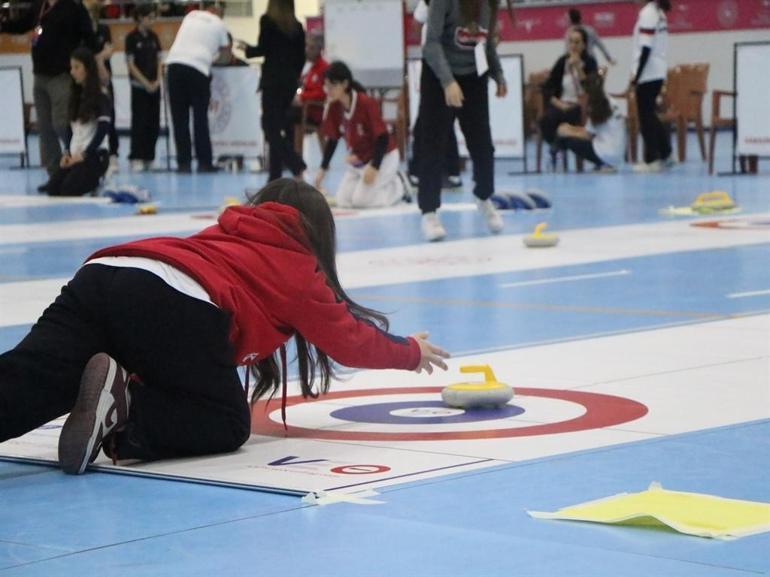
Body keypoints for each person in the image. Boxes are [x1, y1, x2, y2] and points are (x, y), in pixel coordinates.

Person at [0, 179, 449, 475]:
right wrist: (409, 352)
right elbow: (349, 339)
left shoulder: (228, 232)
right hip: (174, 299)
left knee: (32, 381)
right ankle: (124, 410)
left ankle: (110, 394)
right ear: (319, 237)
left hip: (103, 272)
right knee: (226, 420)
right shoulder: (296, 263)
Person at [417, 0, 513, 242]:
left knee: (483, 146)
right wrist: (448, 82)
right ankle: (429, 212)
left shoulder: (490, 4)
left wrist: (498, 74)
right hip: (440, 75)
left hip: (473, 76)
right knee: (432, 145)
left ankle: (483, 197)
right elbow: (431, 43)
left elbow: (486, 42)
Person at [0, 0, 96, 192]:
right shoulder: (38, 5)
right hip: (40, 75)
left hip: (61, 75)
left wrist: (83, 64)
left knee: (61, 123)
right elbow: (23, 24)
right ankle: (55, 175)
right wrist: (3, 26)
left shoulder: (73, 7)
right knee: (45, 128)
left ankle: (80, 167)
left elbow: (89, 37)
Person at [313, 62, 407, 209]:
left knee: (362, 201)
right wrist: (322, 170)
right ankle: (371, 186)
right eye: (326, 86)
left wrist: (374, 167)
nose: (328, 91)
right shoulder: (334, 106)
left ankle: (399, 186)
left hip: (383, 157)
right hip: (359, 159)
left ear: (344, 84)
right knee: (343, 200)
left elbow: (382, 138)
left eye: (332, 86)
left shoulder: (365, 103)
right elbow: (333, 139)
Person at [236, 0, 306, 182]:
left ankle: (295, 164)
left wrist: (247, 49)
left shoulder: (267, 21)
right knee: (281, 127)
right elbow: (301, 58)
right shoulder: (297, 27)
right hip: (289, 84)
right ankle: (275, 175)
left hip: (272, 82)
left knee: (270, 127)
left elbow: (263, 48)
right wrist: (293, 78)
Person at [165, 3, 230, 173]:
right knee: (200, 119)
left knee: (179, 119)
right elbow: (226, 54)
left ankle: (183, 164)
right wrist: (212, 59)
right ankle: (204, 163)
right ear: (218, 11)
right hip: (198, 69)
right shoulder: (219, 23)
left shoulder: (191, 16)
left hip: (174, 66)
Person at [408, 0, 463, 190]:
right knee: (442, 121)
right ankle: (451, 172)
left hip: (439, 63)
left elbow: (416, 25)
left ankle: (419, 172)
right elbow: (416, 24)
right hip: (436, 60)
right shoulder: (429, 4)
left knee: (429, 122)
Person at [45, 47, 110, 197]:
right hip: (75, 155)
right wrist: (66, 152)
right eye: (71, 67)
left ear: (87, 69)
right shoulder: (75, 96)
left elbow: (103, 129)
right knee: (53, 189)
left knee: (68, 189)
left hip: (94, 155)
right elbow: (69, 128)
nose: (72, 72)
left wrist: (85, 154)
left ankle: (99, 180)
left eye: (76, 67)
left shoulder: (101, 95)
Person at [540, 27, 598, 167]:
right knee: (546, 120)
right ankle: (558, 146)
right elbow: (547, 87)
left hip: (580, 106)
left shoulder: (590, 62)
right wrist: (557, 103)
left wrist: (578, 66)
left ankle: (557, 147)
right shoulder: (562, 61)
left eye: (577, 42)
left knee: (570, 115)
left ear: (584, 45)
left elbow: (592, 88)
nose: (573, 45)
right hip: (562, 103)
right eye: (571, 42)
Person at [630, 0, 673, 172]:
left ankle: (652, 160)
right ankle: (666, 153)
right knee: (650, 114)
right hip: (658, 71)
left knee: (645, 117)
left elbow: (646, 48)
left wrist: (637, 76)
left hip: (648, 73)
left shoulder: (647, 14)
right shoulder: (659, 12)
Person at [555, 70, 625, 173]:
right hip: (617, 155)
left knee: (567, 140)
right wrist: (570, 128)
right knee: (567, 132)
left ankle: (556, 160)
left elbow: (587, 135)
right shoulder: (610, 101)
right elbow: (591, 130)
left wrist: (567, 131)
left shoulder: (597, 106)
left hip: (606, 153)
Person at [83, 0, 119, 175]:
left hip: (104, 77)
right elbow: (86, 59)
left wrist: (100, 61)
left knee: (109, 116)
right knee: (90, 118)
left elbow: (109, 52)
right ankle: (90, 151)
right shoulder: (81, 32)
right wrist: (99, 58)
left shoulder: (104, 30)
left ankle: (113, 154)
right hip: (88, 80)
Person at [125, 4, 162, 172]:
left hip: (154, 87)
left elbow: (159, 60)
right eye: (150, 17)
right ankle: (136, 156)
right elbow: (131, 65)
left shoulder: (154, 37)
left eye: (154, 17)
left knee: (153, 122)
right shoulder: (131, 38)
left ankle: (149, 156)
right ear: (140, 17)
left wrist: (158, 80)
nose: (152, 21)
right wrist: (146, 83)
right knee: (139, 121)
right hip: (139, 87)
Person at [290, 30, 329, 150]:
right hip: (305, 108)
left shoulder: (324, 68)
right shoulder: (309, 68)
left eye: (311, 48)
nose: (307, 50)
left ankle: (295, 158)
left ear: (319, 50)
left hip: (316, 110)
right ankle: (294, 158)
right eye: (307, 46)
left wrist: (302, 97)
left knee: (291, 117)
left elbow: (322, 93)